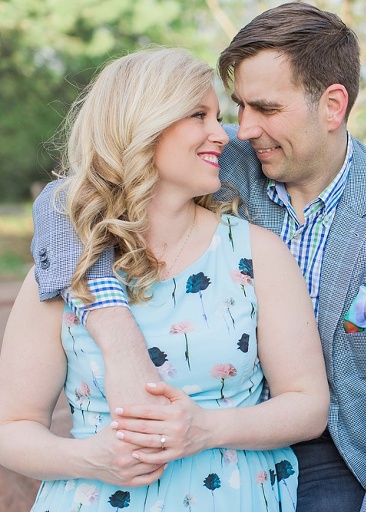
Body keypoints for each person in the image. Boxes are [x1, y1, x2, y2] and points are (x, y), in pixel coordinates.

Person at [29, 2, 366, 511]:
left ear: (333, 105)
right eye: (240, 106)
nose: (245, 127)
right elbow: (64, 202)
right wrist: (116, 331)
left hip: (335, 450)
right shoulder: (221, 158)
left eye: (266, 108)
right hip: (217, 415)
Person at [0, 46, 329, 511]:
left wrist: (206, 429)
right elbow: (11, 428)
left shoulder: (257, 254)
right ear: (142, 125)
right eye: (199, 114)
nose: (222, 134)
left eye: (218, 115)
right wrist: (89, 459)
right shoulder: (66, 265)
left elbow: (308, 404)